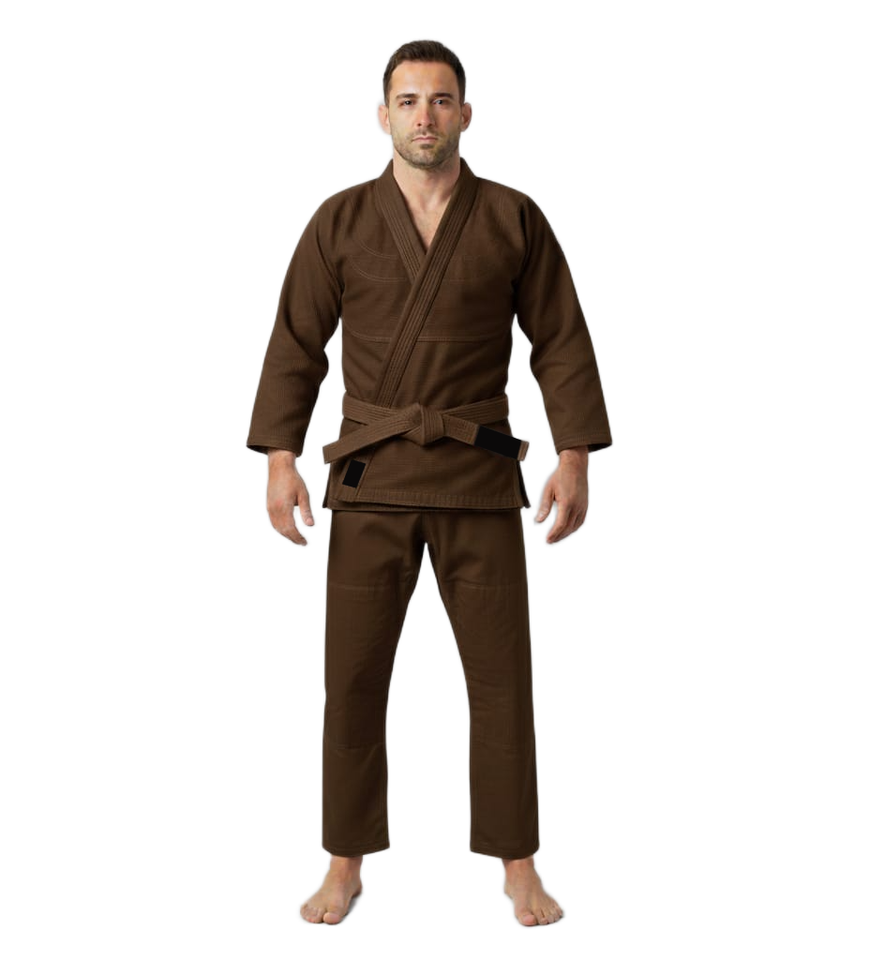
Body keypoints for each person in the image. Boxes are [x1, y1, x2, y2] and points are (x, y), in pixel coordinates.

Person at [246, 39, 612, 926]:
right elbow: (298, 340)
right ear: (383, 116)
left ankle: (518, 863)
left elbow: (559, 337)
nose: (425, 116)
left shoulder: (513, 218)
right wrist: (281, 456)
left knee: (502, 681)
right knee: (353, 679)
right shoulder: (339, 220)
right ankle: (344, 860)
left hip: (478, 478)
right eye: (408, 101)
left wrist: (573, 453)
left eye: (441, 100)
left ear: (465, 113)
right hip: (370, 478)